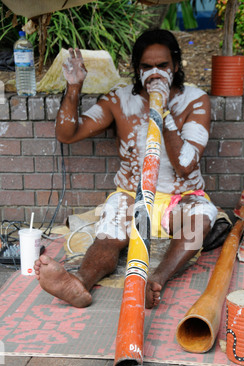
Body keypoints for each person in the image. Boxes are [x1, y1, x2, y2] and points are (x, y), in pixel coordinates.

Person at [34, 29, 218, 309]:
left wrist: (163, 112)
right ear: (136, 69)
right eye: (146, 67)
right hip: (132, 196)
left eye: (163, 66)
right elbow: (67, 134)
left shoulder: (195, 100)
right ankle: (79, 282)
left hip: (181, 198)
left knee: (200, 220)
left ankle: (156, 279)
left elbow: (185, 165)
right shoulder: (119, 101)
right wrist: (74, 86)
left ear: (176, 67)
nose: (155, 73)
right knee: (110, 236)